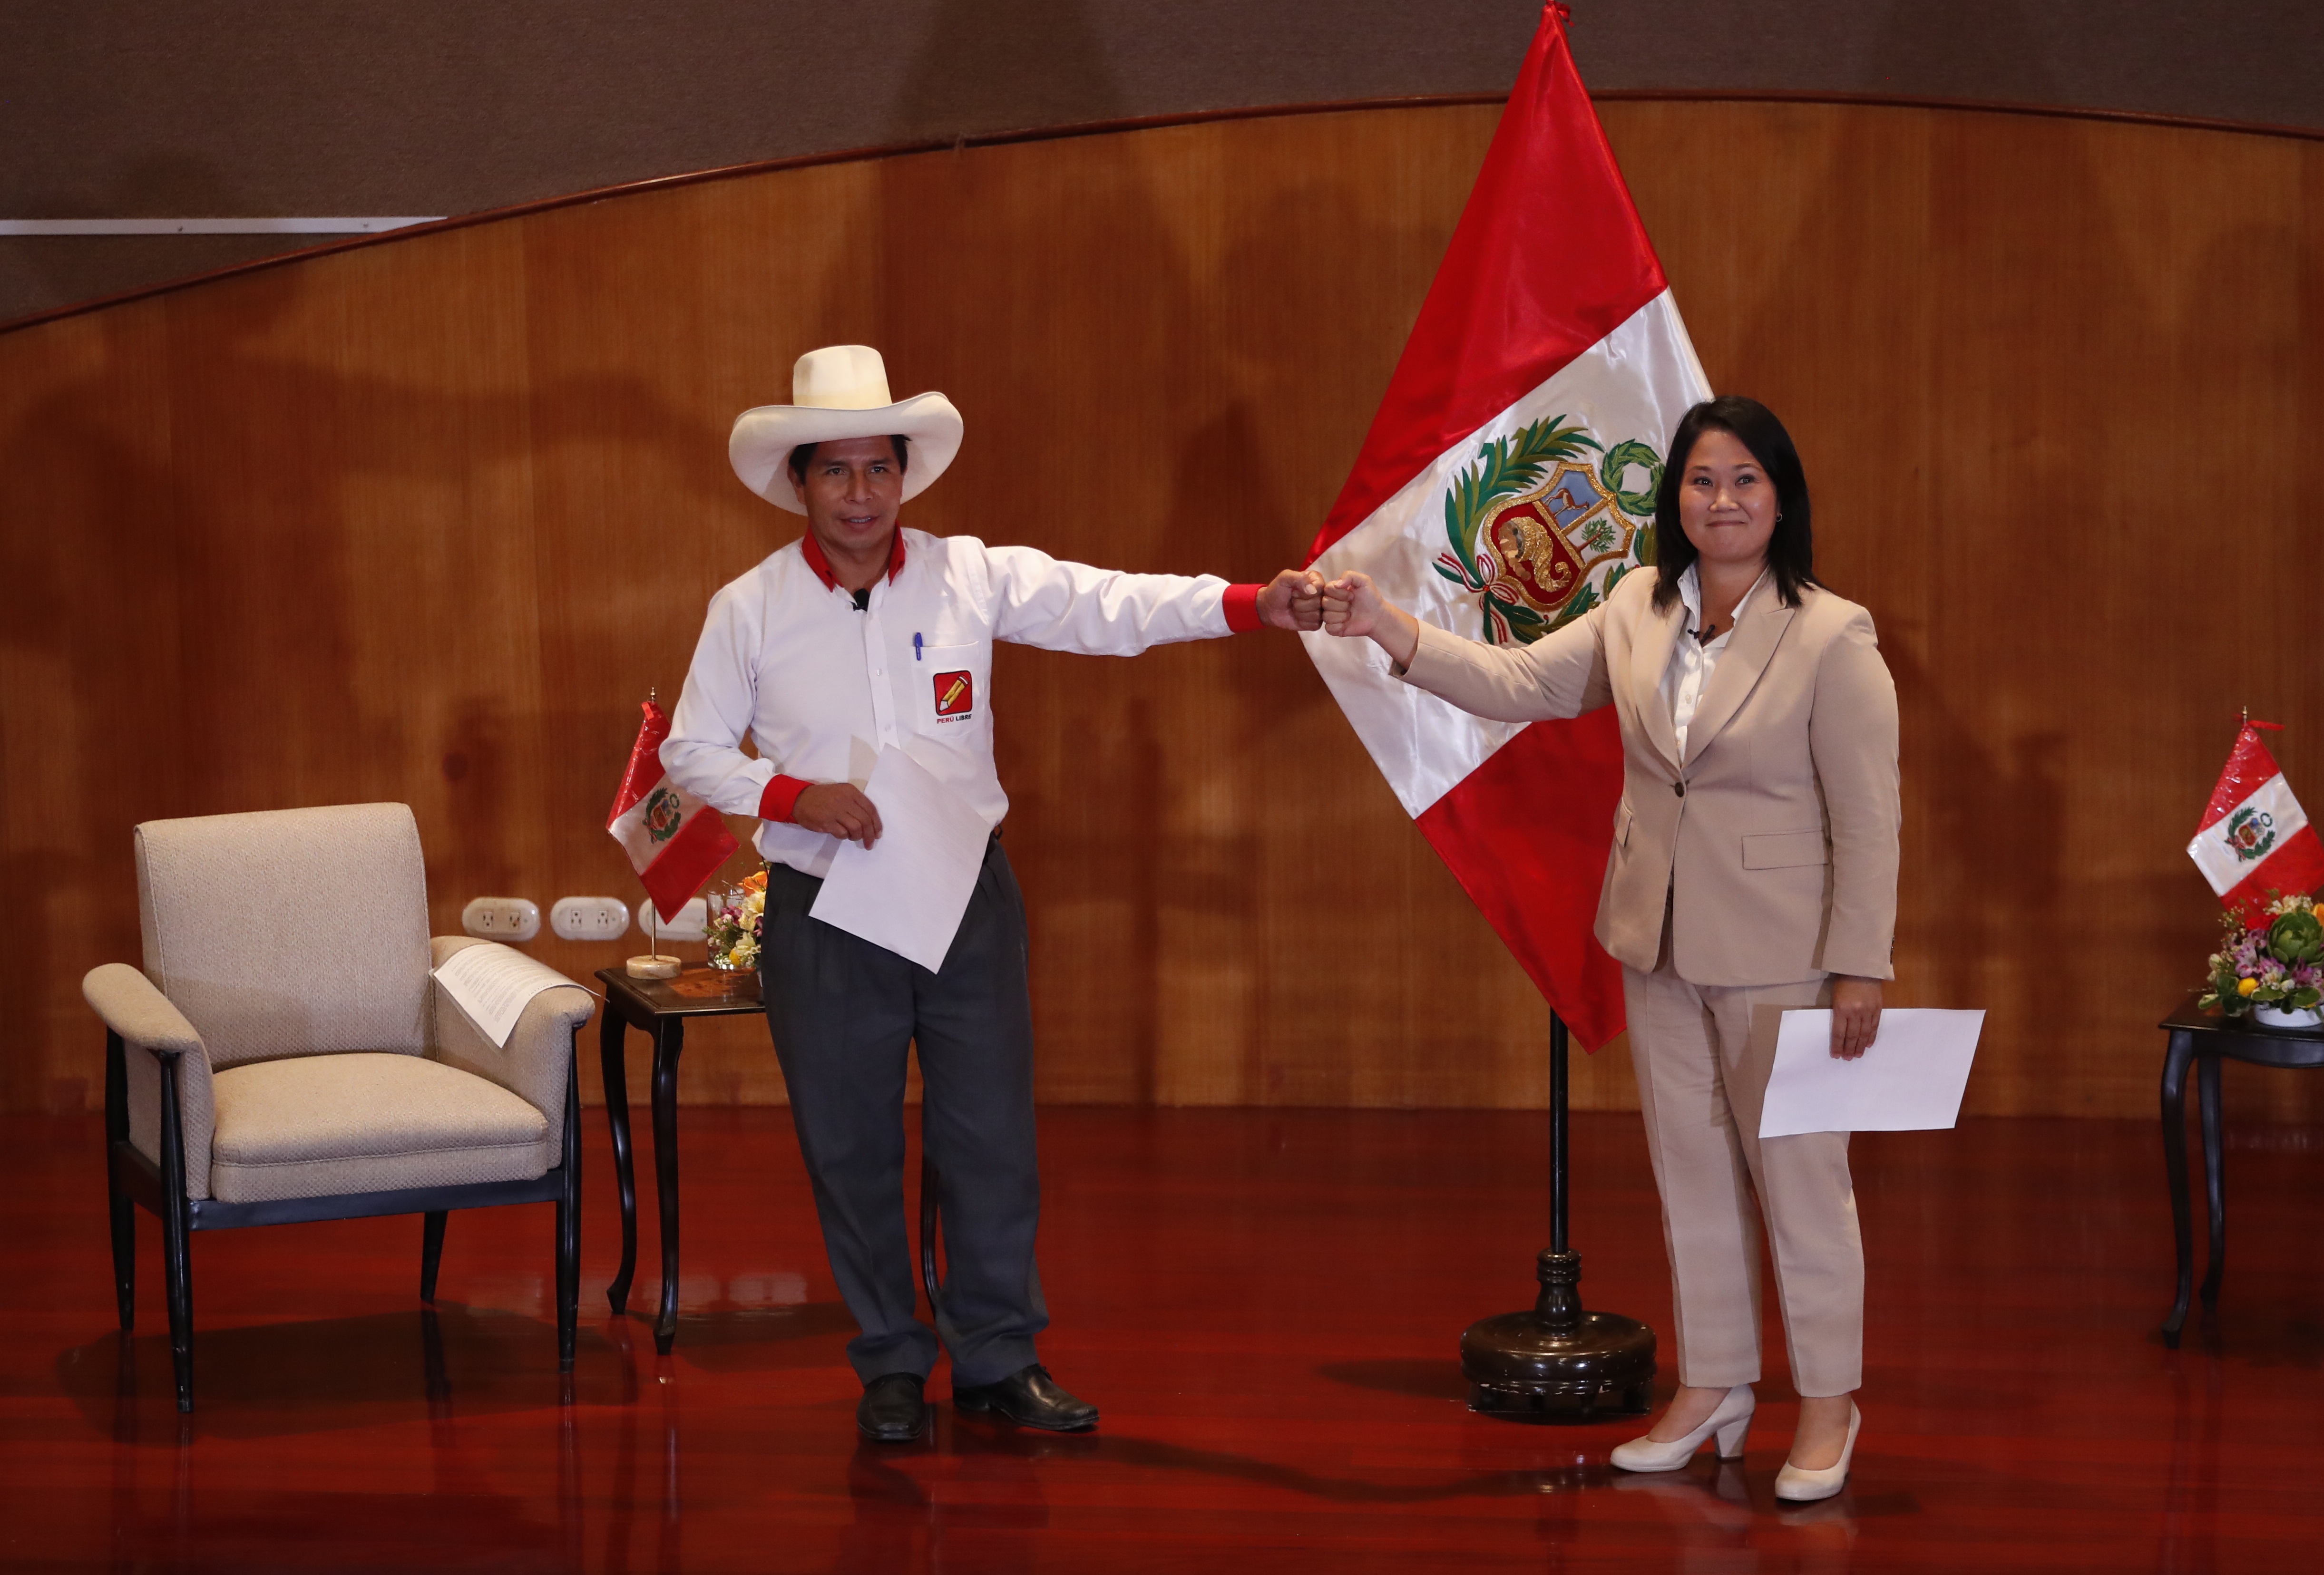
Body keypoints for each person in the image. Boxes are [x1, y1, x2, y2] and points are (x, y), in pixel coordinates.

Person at [661, 345, 1323, 1443]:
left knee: (989, 1137)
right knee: (849, 1146)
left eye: (880, 469)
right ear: (800, 482)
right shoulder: (749, 607)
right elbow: (689, 751)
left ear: (905, 475)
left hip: (966, 895)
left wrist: (1255, 605)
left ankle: (997, 1356)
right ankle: (888, 1359)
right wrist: (791, 795)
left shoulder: (968, 574)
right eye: (837, 472)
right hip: (825, 908)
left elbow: (1110, 605)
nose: (862, 494)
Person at [1320, 395, 1898, 1502]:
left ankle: (1828, 1402)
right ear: (1673, 498)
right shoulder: (1637, 605)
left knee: (1800, 1184)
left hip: (1782, 954)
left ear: (1781, 499)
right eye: (1700, 480)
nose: (1720, 500)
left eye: (1744, 480)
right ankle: (1715, 1385)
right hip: (1655, 939)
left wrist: (1859, 966)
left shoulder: (1832, 634)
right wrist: (1389, 627)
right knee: (1689, 1176)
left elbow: (1869, 818)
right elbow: (1523, 684)